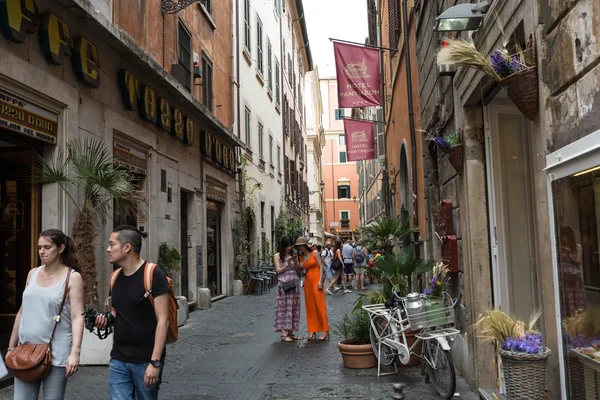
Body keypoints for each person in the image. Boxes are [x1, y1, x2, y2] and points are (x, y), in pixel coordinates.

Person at [95, 225, 170, 400]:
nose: (108, 249)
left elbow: (163, 320)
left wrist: (155, 362)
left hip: (145, 360)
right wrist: (104, 320)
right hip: (118, 359)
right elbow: (116, 313)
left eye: (111, 244)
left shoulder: (153, 274)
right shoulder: (115, 277)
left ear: (127, 247)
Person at [8, 229, 84, 400]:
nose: (42, 251)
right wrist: (11, 347)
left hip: (56, 353)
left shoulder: (72, 277)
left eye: (47, 247)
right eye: (39, 247)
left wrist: (75, 352)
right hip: (25, 352)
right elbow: (22, 311)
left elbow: (77, 316)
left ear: (61, 248)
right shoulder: (32, 274)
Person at [295, 237, 329, 340]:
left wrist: (320, 281)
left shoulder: (314, 253)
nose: (300, 248)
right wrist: (300, 267)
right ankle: (312, 330)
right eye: (298, 246)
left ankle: (325, 330)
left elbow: (321, 266)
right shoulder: (300, 258)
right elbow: (302, 272)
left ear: (305, 245)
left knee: (320, 305)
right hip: (308, 281)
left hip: (316, 279)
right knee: (310, 306)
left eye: (301, 245)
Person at [274, 237, 302, 342]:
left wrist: (296, 263)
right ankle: (283, 334)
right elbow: (278, 271)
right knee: (283, 308)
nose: (289, 248)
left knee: (293, 308)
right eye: (287, 246)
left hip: (294, 285)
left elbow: (298, 271)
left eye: (290, 246)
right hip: (284, 285)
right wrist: (286, 265)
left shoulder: (292, 255)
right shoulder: (277, 256)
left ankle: (291, 332)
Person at [560, 226, 587, 317]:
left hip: (574, 279)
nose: (564, 239)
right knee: (568, 302)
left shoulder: (578, 247)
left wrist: (570, 256)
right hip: (565, 279)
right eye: (562, 236)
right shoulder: (560, 247)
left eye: (566, 236)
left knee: (578, 304)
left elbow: (579, 262)